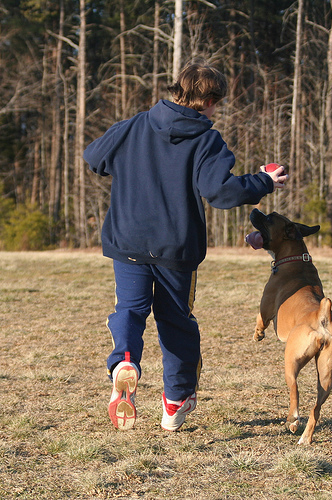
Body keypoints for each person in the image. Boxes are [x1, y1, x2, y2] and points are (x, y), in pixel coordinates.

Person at [83, 59, 288, 432]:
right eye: (217, 103)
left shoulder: (135, 125)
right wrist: (264, 181)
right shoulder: (206, 139)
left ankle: (125, 362)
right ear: (209, 100)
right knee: (175, 321)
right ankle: (175, 401)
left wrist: (131, 167)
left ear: (177, 89)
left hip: (127, 240)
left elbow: (94, 157)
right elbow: (221, 192)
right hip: (175, 249)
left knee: (129, 310)